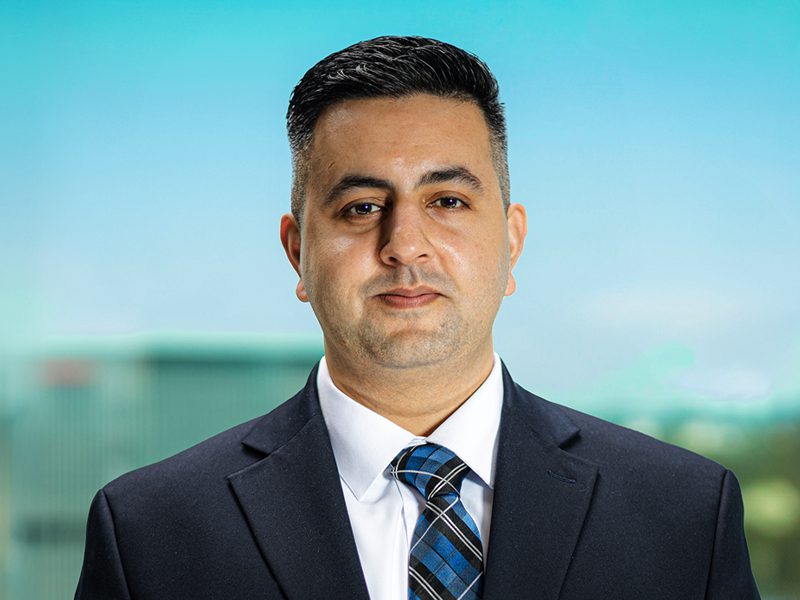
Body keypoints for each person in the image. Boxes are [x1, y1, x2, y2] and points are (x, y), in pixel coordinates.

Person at [75, 36, 760, 600]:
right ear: (296, 253)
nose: (405, 244)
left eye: (448, 202)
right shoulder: (148, 532)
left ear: (512, 241)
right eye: (361, 207)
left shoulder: (685, 514)